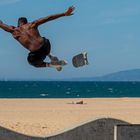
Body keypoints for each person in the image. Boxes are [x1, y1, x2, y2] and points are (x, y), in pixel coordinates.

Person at [0, 6, 75, 71]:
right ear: (27, 22)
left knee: (32, 62)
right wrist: (64, 14)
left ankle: (52, 65)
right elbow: (48, 18)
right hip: (46, 45)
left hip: (37, 55)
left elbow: (1, 24)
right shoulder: (32, 24)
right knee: (43, 40)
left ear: (18, 24)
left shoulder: (14, 31)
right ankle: (50, 56)